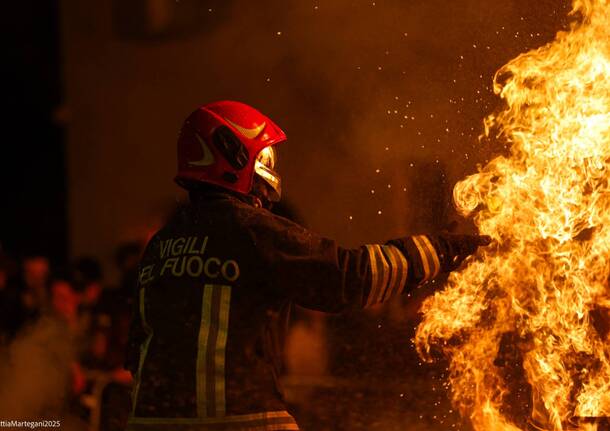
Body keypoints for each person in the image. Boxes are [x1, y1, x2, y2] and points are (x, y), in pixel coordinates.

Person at [125, 101, 490, 431]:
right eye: (263, 156)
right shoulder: (250, 230)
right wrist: (439, 251)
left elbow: (138, 343)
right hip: (238, 421)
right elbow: (347, 278)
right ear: (232, 155)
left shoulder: (164, 243)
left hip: (149, 420)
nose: (269, 167)